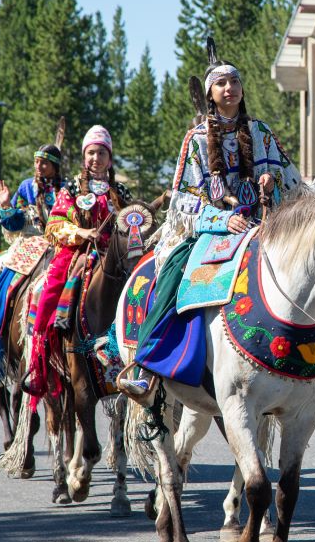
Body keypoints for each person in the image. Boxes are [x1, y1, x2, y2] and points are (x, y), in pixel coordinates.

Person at [118, 58, 302, 401]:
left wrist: (271, 183)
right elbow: (183, 203)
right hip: (209, 231)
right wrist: (222, 220)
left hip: (264, 226)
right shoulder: (196, 140)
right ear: (210, 93)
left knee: (312, 263)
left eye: (234, 80)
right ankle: (148, 364)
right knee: (172, 273)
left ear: (242, 88)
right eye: (221, 83)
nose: (229, 87)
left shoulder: (261, 133)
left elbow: (293, 182)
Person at [24, 127, 131, 404]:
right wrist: (83, 234)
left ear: (110, 157)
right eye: (91, 152)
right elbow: (55, 224)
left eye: (101, 153)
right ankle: (43, 353)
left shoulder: (119, 190)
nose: (96, 158)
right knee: (49, 289)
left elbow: (133, 223)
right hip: (77, 251)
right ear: (85, 157)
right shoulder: (71, 188)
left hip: (115, 255)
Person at [0, 144, 63, 349]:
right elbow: (14, 224)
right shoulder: (27, 187)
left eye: (44, 162)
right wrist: (6, 205)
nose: (39, 166)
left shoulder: (67, 188)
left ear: (55, 166)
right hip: (32, 242)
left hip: (61, 242)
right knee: (7, 275)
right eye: (36, 162)